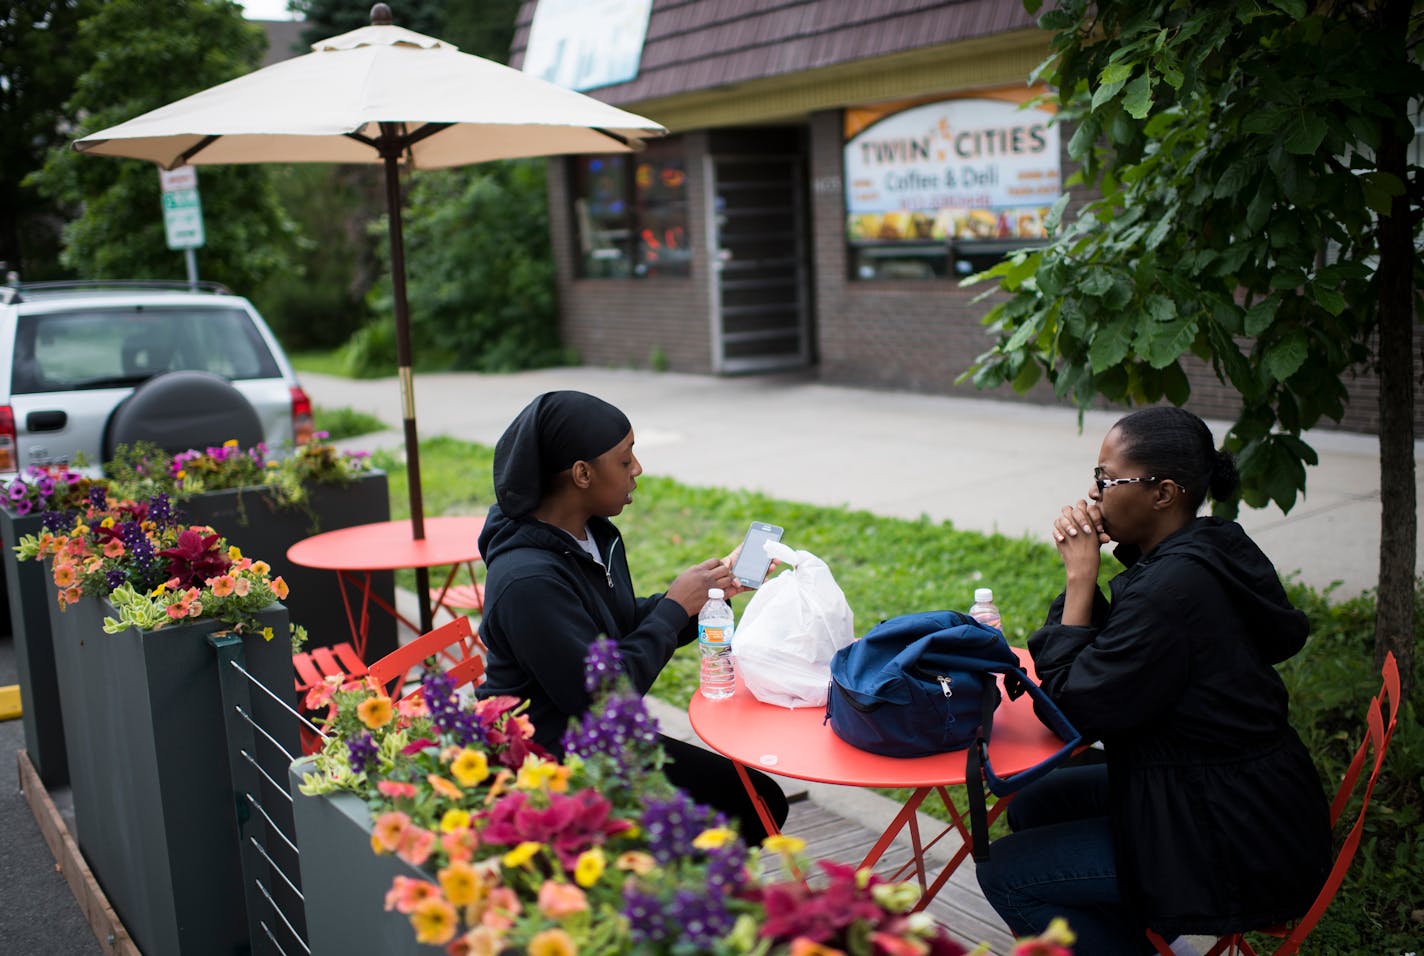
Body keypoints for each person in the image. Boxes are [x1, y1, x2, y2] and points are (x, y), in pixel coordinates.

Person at [975, 406, 1331, 954]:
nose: (1092, 496)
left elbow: (1076, 710)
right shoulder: (1203, 550)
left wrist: (1079, 577)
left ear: (1163, 494)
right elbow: (1102, 670)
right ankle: (1125, 929)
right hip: (1235, 793)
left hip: (1231, 840)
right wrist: (1088, 581)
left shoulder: (1172, 590)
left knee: (1003, 873)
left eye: (1106, 480)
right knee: (1032, 803)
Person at [474, 390, 789, 842]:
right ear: (582, 473)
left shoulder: (590, 535)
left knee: (759, 801)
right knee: (753, 807)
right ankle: (672, 902)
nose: (637, 469)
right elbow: (605, 695)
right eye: (625, 460)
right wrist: (675, 606)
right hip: (551, 764)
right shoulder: (527, 581)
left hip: (598, 741)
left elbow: (616, 624)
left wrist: (706, 594)